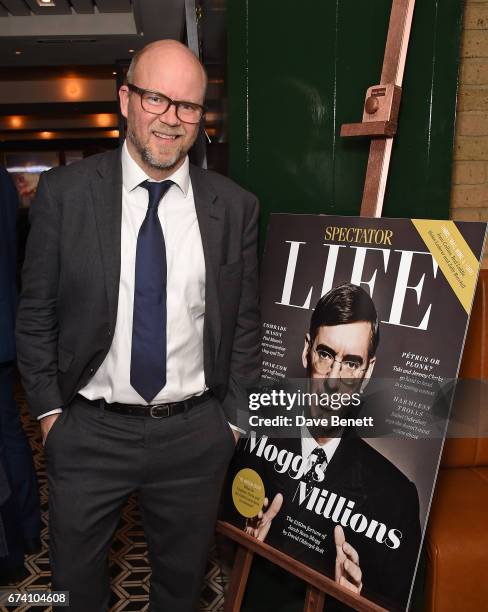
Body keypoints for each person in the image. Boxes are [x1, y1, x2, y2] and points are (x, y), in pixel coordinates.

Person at [16, 40, 260, 611]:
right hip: (89, 432)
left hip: (195, 434)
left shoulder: (235, 207)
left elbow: (244, 323)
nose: (171, 118)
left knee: (181, 588)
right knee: (73, 587)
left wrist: (232, 424)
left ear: (202, 118)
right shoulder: (65, 194)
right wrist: (51, 415)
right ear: (126, 100)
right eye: (157, 98)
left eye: (189, 106)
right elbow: (36, 316)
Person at [235, 284, 421, 611]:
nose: (334, 380)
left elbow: (396, 601)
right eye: (326, 354)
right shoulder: (256, 440)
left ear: (368, 372)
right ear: (307, 350)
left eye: (351, 363)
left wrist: (355, 602)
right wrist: (246, 543)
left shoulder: (396, 499)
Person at [0, 164, 41, 584]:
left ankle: (14, 540)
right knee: (10, 434)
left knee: (8, 438)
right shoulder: (4, 181)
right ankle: (26, 532)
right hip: (5, 323)